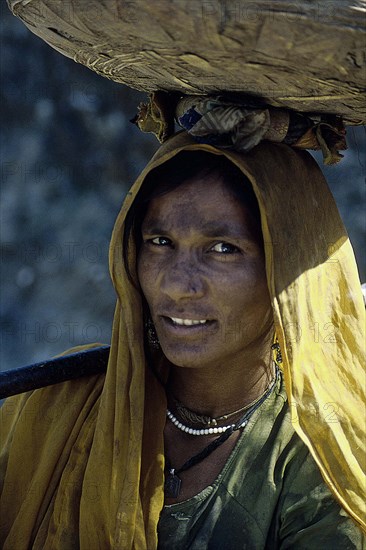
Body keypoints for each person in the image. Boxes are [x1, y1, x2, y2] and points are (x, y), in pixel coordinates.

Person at [1, 131, 365, 548]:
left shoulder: (325, 456)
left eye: (223, 248)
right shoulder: (61, 401)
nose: (177, 285)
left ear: (289, 268)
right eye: (160, 243)